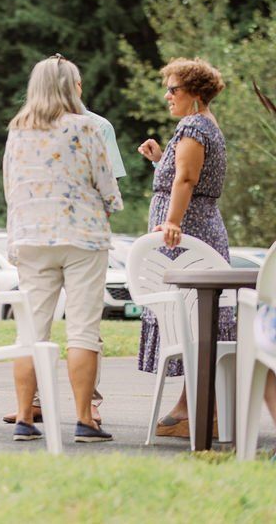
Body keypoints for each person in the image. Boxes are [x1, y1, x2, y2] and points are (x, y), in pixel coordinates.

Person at [4, 54, 122, 443]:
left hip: (31, 237)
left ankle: (25, 417)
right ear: (72, 87)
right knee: (83, 329)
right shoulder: (87, 128)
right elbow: (107, 187)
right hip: (82, 237)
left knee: (31, 331)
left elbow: (10, 187)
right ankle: (85, 419)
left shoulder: (18, 130)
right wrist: (109, 203)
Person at [136, 57, 228, 439]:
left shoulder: (193, 125)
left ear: (194, 93)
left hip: (190, 234)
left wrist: (172, 221)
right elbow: (183, 173)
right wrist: (161, 160)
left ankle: (204, 411)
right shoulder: (203, 124)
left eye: (173, 89)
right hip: (200, 228)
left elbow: (187, 178)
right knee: (193, 318)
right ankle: (191, 407)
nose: (167, 95)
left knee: (192, 317)